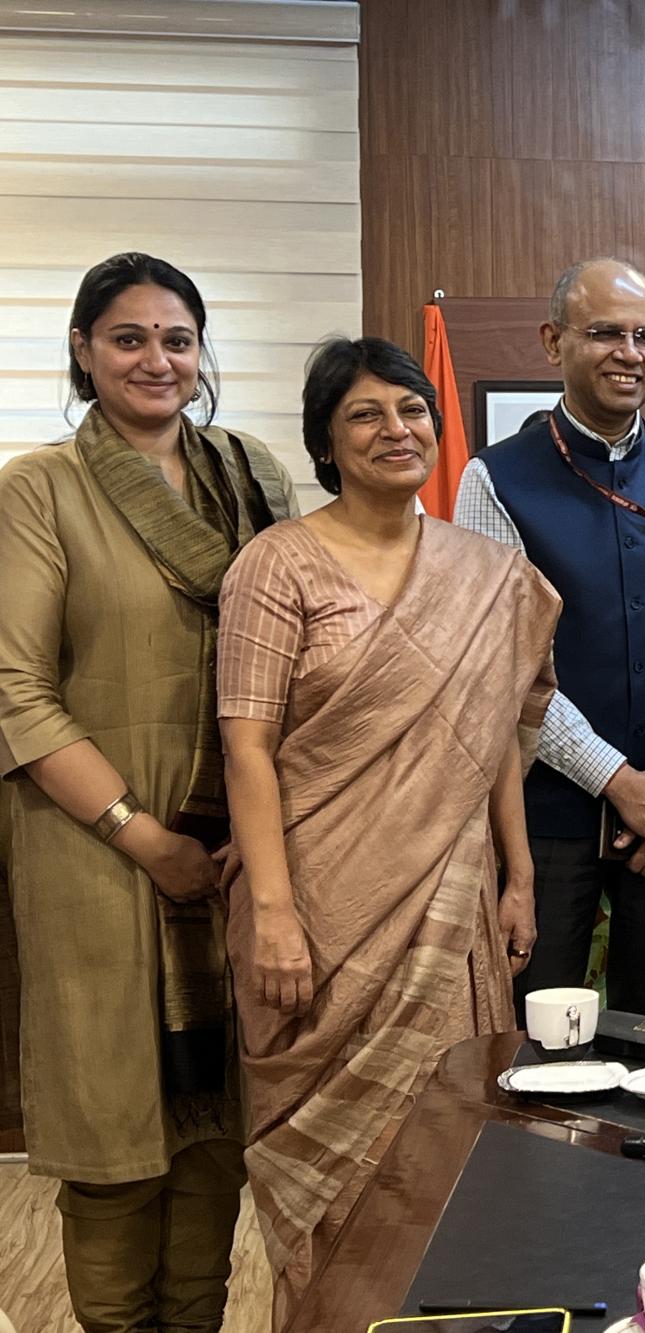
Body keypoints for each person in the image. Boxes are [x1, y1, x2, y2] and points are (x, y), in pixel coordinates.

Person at [216, 337, 559, 1311]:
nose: (394, 429)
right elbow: (246, 746)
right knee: (327, 1174)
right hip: (319, 910)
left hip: (450, 911)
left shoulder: (485, 573)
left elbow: (498, 739)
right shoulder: (275, 565)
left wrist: (520, 875)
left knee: (451, 1153)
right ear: (326, 440)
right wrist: (274, 915)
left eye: (411, 410)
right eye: (364, 414)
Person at [0, 253, 295, 1333]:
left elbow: (302, 646)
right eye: (128, 338)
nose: (156, 360)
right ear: (83, 350)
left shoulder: (253, 475)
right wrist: (142, 834)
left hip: (237, 850)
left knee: (217, 1134)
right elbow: (13, 688)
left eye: (177, 339)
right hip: (93, 848)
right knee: (118, 1135)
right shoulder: (39, 489)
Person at [454, 258, 645, 1022]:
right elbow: (504, 666)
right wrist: (621, 783)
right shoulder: (495, 480)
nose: (630, 353)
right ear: (552, 340)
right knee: (536, 1042)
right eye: (604, 334)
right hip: (545, 818)